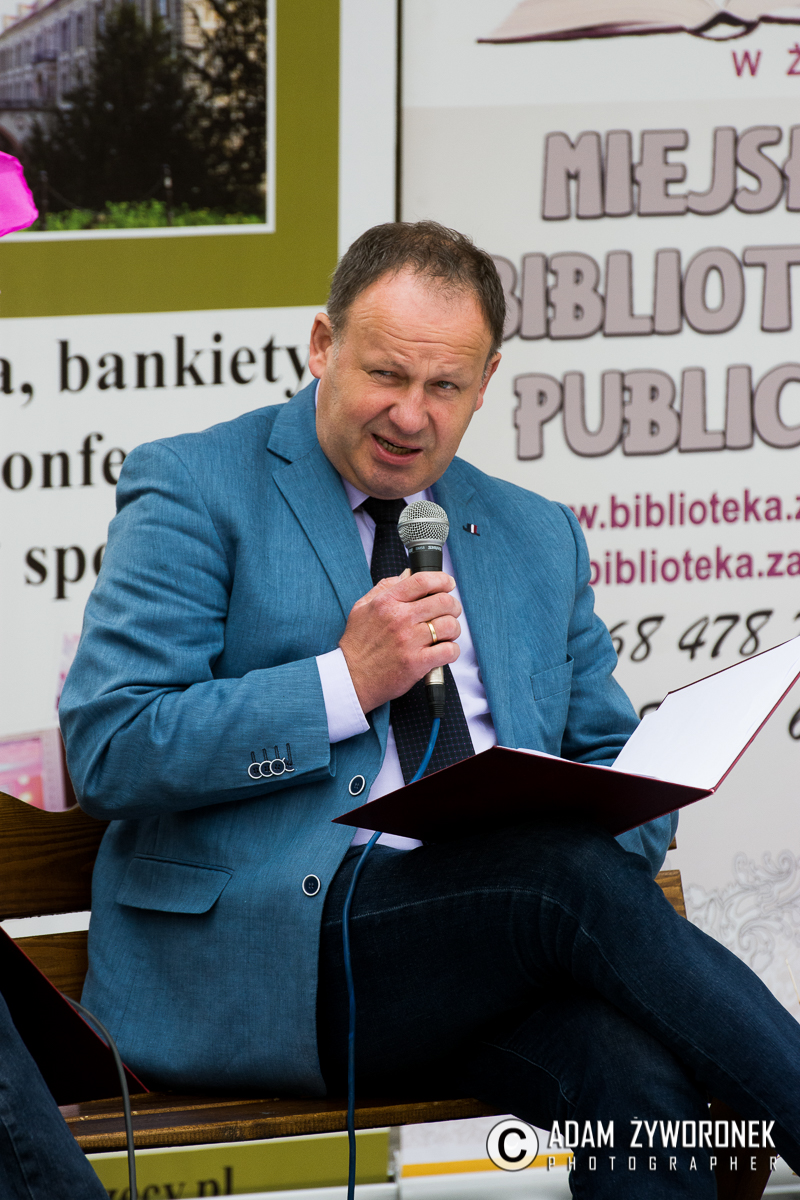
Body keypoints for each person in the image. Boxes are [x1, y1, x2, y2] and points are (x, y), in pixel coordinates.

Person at [60, 222, 800, 1197]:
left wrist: (594, 827)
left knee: (631, 1080)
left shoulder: (534, 533)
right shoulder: (196, 486)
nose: (409, 415)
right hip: (276, 957)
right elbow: (111, 745)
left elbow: (614, 762)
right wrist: (346, 681)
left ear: (486, 382)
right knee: (560, 877)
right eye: (384, 374)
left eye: (444, 386)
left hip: (490, 952)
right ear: (322, 345)